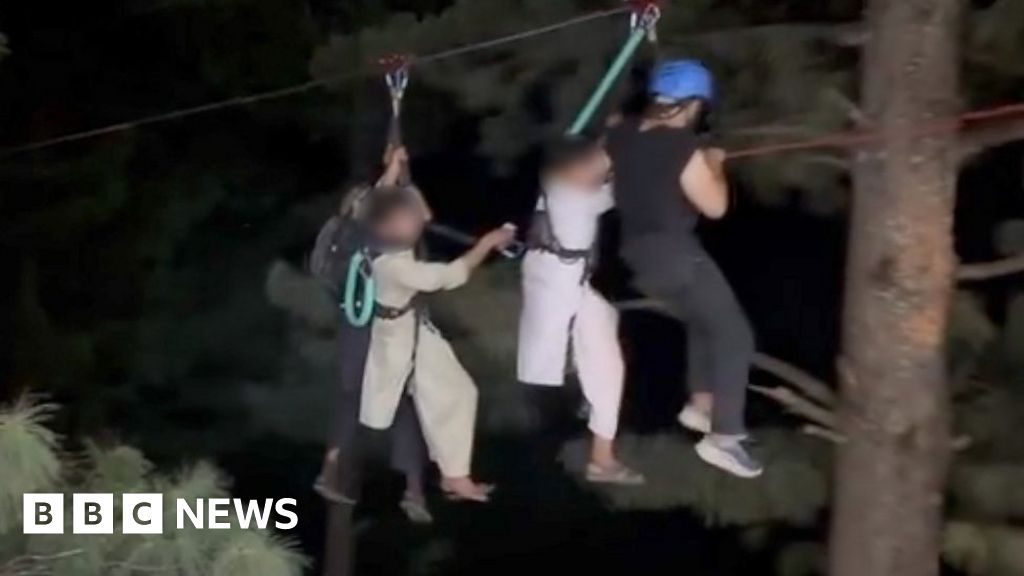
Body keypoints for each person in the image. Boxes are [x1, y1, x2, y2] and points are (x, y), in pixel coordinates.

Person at [605, 59, 763, 478]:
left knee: (703, 319)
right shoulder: (683, 149)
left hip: (638, 256)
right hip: (675, 254)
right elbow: (715, 206)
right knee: (735, 333)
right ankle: (724, 438)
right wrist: (714, 163)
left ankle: (702, 405)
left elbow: (617, 120)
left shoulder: (620, 134)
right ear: (693, 104)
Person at [359, 187, 517, 502]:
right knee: (429, 396)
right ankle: (450, 476)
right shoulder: (391, 264)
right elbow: (450, 276)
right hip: (396, 337)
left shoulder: (381, 235)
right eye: (408, 219)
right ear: (387, 226)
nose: (419, 221)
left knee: (458, 392)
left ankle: (454, 475)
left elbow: (423, 214)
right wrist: (487, 243)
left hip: (411, 326)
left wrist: (401, 176)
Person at [314, 146, 435, 523]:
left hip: (374, 325)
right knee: (373, 400)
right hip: (368, 324)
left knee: (382, 400)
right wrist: (394, 169)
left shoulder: (369, 235)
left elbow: (420, 217)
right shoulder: (349, 233)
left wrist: (403, 177)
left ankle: (409, 488)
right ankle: (344, 473)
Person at [517, 137, 644, 485]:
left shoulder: (574, 190)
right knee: (583, 363)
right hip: (555, 281)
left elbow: (616, 182)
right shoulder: (566, 189)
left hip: (568, 278)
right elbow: (605, 167)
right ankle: (596, 444)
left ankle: (600, 447)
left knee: (606, 339)